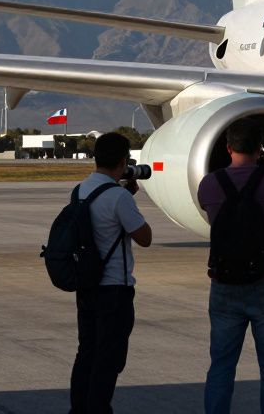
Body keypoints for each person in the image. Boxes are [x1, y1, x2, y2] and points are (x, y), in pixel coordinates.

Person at [198, 118, 264, 414]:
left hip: (224, 284)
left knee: (221, 366)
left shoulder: (210, 184)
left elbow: (206, 207)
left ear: (228, 148)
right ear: (260, 149)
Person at [70, 132, 152, 414]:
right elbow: (144, 237)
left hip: (87, 284)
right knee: (108, 358)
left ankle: (79, 409)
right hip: (114, 289)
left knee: (86, 352)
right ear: (123, 161)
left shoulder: (80, 190)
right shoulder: (118, 197)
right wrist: (127, 199)